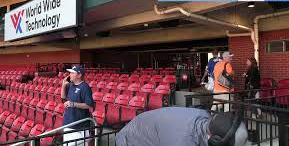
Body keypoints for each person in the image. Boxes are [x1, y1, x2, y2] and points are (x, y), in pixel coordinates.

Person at [115, 107, 248, 146]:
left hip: (152, 130)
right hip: (131, 139)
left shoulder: (204, 116)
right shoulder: (182, 140)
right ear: (214, 139)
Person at [61, 65, 94, 146]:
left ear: (79, 75)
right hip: (68, 123)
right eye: (70, 73)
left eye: (72, 73)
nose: (70, 75)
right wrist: (63, 85)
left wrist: (73, 104)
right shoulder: (70, 85)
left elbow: (89, 105)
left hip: (79, 126)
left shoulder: (85, 87)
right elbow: (63, 99)